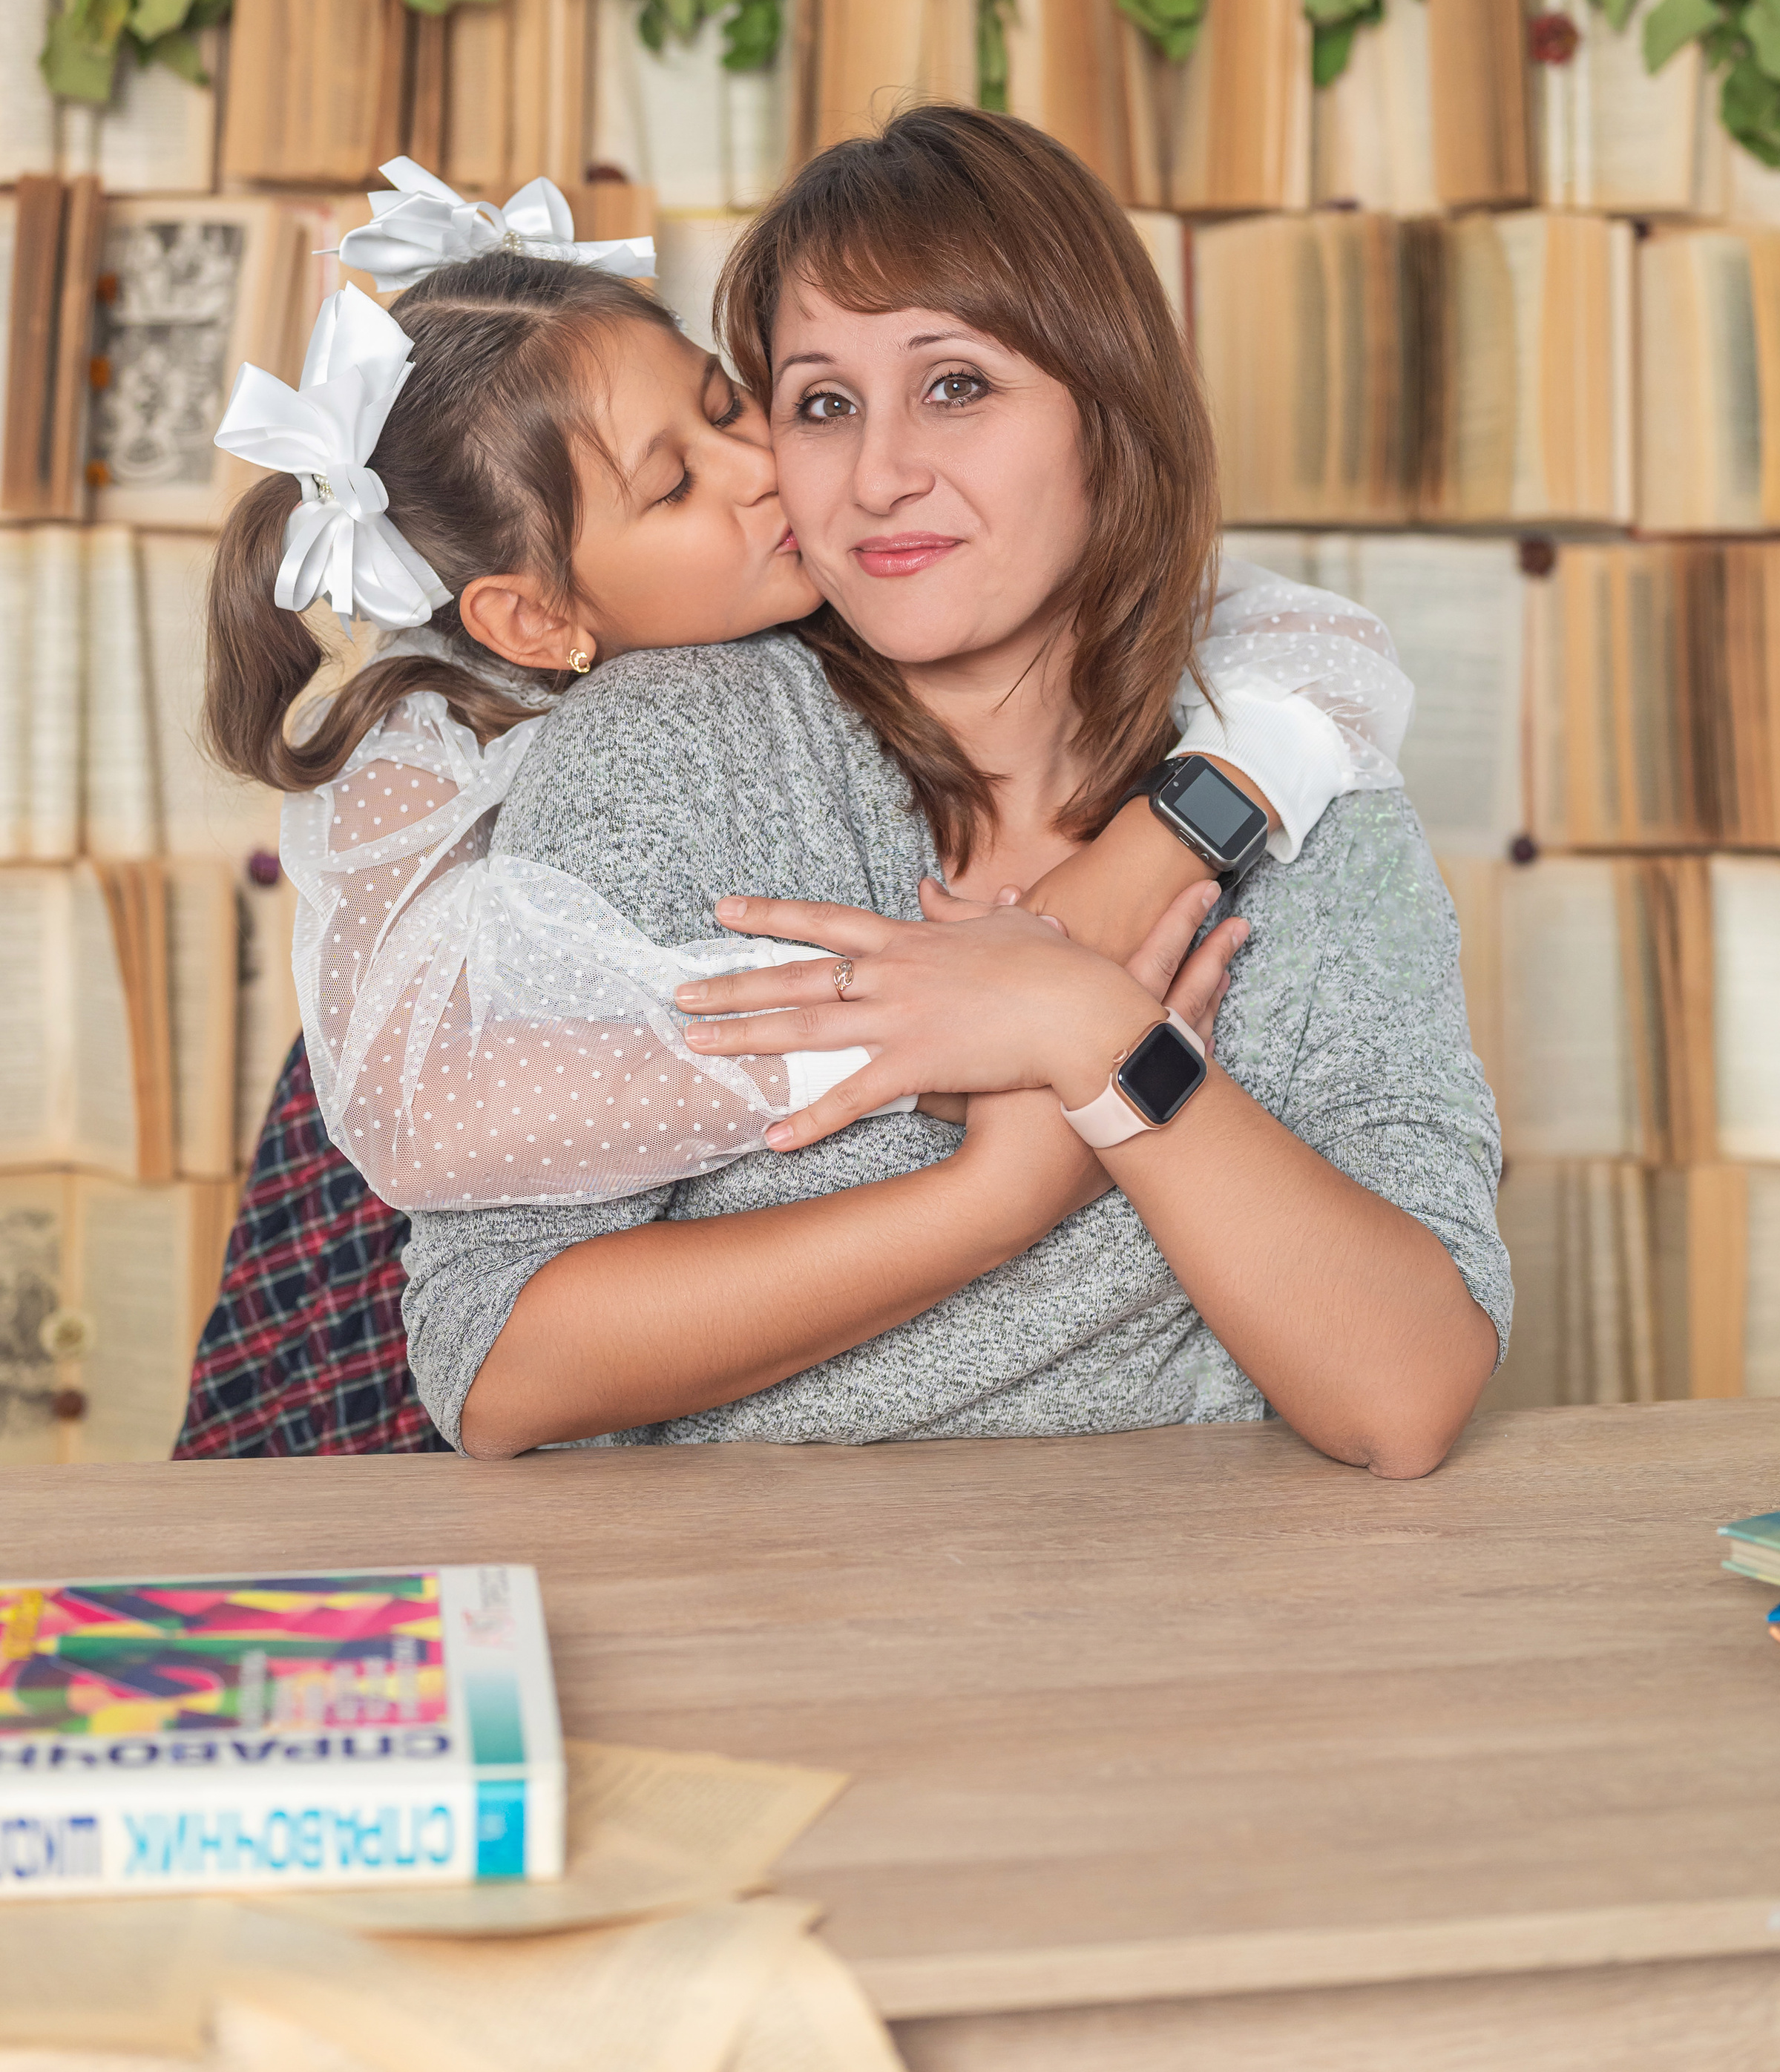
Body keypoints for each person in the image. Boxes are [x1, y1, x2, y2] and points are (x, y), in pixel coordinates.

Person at [390, 109, 1508, 1476]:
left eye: (958, 385)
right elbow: (493, 1364)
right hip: (750, 1619)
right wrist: (1000, 1195)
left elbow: (1404, 1395)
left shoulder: (1294, 777)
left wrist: (1093, 1035)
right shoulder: (674, 750)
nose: (878, 475)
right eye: (820, 404)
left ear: (1111, 409)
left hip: (1201, 1627)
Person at [201, 158, 1409, 1220]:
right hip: (397, 1231)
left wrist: (1155, 844)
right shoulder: (418, 749)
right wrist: (926, 1040)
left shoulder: (877, 577)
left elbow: (1317, 644)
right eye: (676, 485)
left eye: (733, 403)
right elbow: (434, 1119)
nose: (768, 467)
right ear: (534, 618)